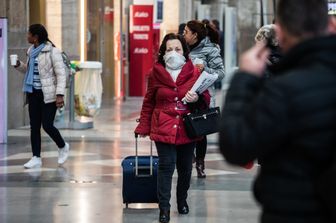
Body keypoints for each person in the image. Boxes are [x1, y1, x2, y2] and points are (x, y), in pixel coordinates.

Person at [219, 0, 336, 222]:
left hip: (290, 212)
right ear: (331, 25)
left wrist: (244, 79)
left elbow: (236, 146)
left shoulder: (283, 91)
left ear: (280, 33)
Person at [134, 33, 210, 223]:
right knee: (166, 166)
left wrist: (198, 99)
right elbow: (149, 101)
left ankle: (182, 200)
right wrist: (143, 126)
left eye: (177, 49)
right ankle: (164, 209)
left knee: (185, 168)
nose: (173, 53)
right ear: (163, 52)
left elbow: (206, 100)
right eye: (169, 49)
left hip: (187, 127)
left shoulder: (194, 72)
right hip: (163, 125)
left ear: (184, 51)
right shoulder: (155, 73)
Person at [13, 24, 70, 169]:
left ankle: (63, 146)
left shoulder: (52, 51)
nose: (27, 36)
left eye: (29, 34)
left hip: (49, 94)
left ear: (36, 37)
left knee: (47, 125)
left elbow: (61, 74)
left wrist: (59, 95)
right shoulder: (31, 51)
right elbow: (29, 71)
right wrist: (19, 65)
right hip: (33, 93)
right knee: (34, 127)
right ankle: (36, 157)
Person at [183, 20, 225, 178]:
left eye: (186, 32)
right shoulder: (181, 47)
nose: (183, 34)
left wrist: (204, 69)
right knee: (185, 126)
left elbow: (221, 72)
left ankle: (200, 162)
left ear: (194, 35)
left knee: (201, 130)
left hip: (202, 95)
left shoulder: (210, 49)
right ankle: (188, 158)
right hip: (184, 93)